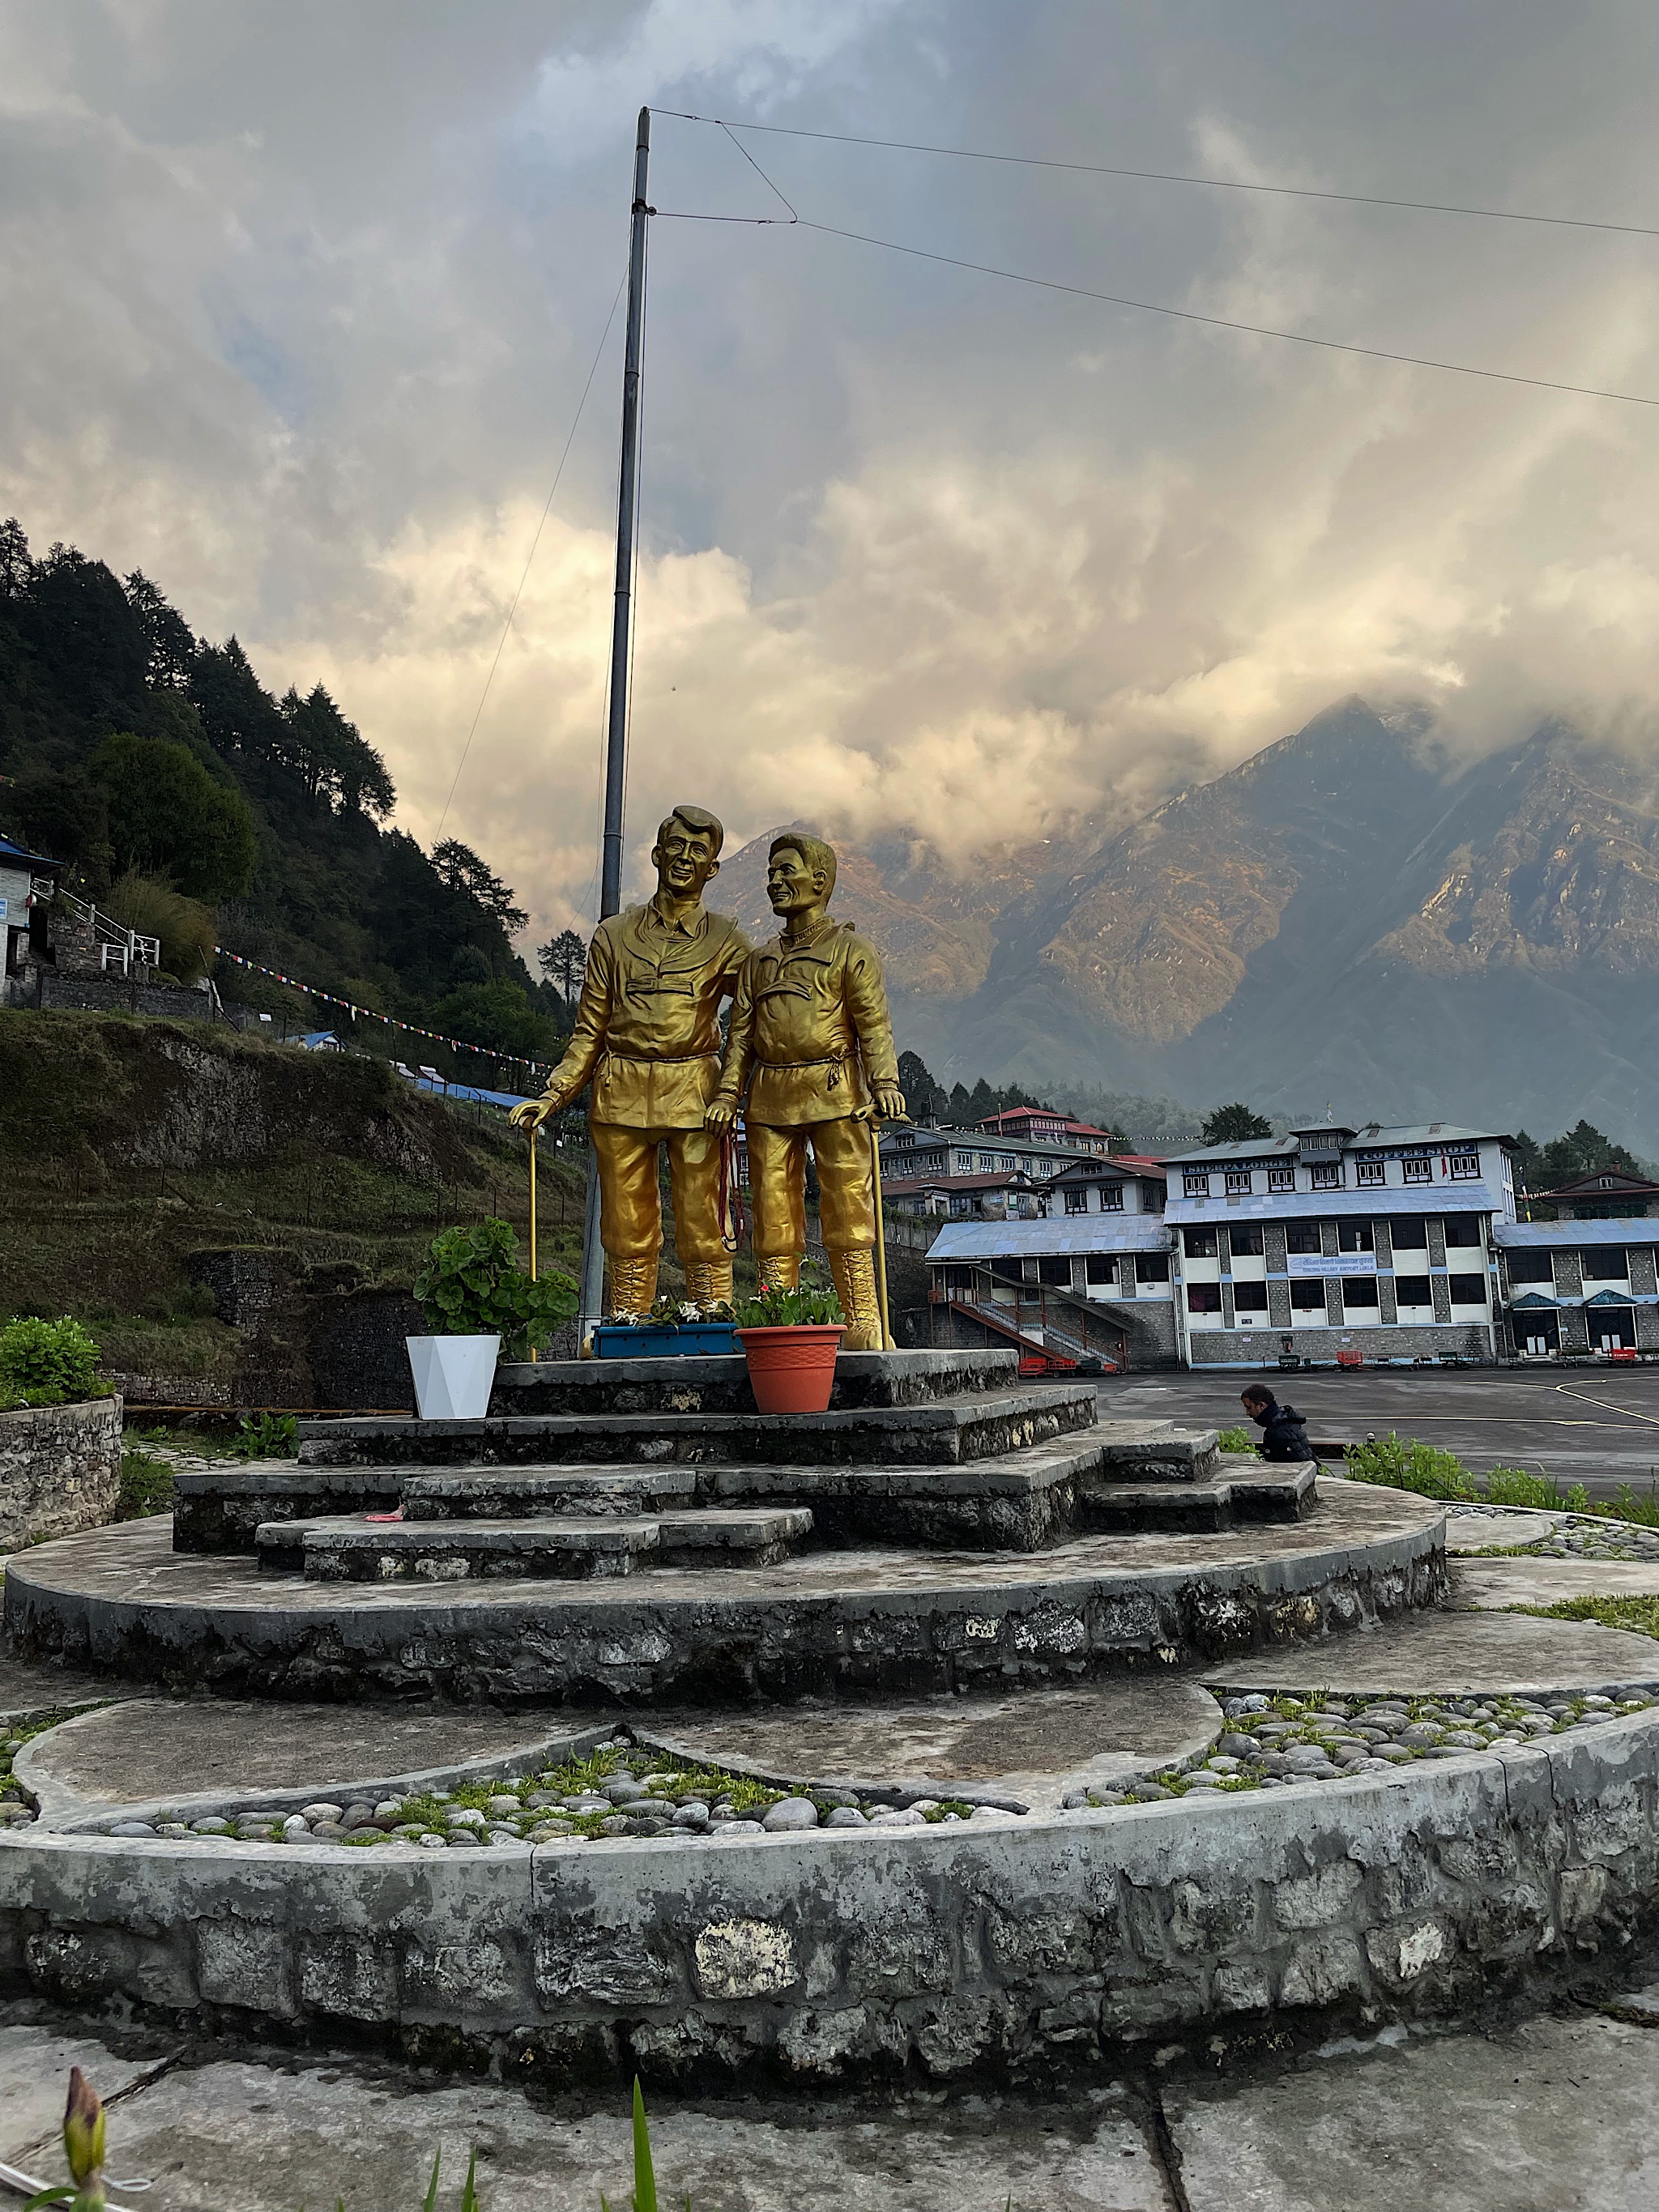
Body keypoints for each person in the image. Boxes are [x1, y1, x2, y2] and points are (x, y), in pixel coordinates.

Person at [510, 803, 748, 1318]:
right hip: (620, 1091)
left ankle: (715, 1323)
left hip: (696, 1095)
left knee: (702, 1219)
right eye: (677, 847)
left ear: (713, 868)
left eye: (699, 851)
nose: (686, 858)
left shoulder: (728, 940)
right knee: (626, 1224)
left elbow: (753, 1019)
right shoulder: (613, 936)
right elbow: (589, 1030)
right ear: (658, 855)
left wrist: (732, 1089)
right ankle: (628, 1324)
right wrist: (554, 1094)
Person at [706, 830, 904, 1350]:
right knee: (773, 1215)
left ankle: (863, 1318)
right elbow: (740, 1036)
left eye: (785, 872)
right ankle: (780, 1318)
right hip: (769, 1097)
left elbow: (874, 1026)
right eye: (770, 874)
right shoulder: (758, 961)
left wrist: (884, 1084)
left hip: (837, 1090)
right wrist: (728, 1094)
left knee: (848, 1207)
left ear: (819, 882)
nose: (774, 882)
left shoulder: (850, 950)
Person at [1240, 1384, 1313, 1463]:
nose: (1247, 1412)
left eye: (1249, 1407)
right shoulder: (1285, 1421)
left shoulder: (1276, 1431)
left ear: (1261, 1406)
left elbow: (1278, 1467)